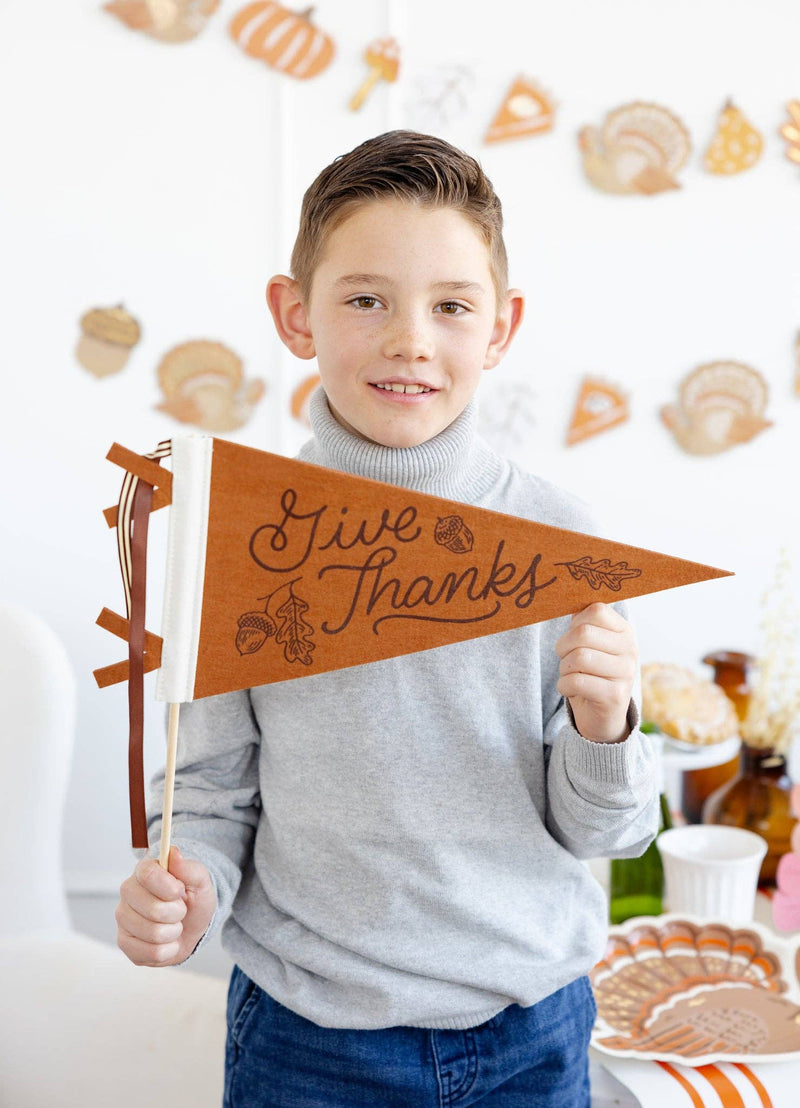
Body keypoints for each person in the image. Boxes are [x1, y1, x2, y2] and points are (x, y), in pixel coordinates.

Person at [115, 130, 659, 1107]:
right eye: (366, 299)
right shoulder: (240, 541)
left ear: (500, 328)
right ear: (295, 316)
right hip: (310, 1043)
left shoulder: (561, 541)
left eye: (451, 305)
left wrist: (605, 724)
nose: (410, 339)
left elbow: (605, 833)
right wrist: (188, 890)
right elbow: (207, 793)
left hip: (530, 1031)